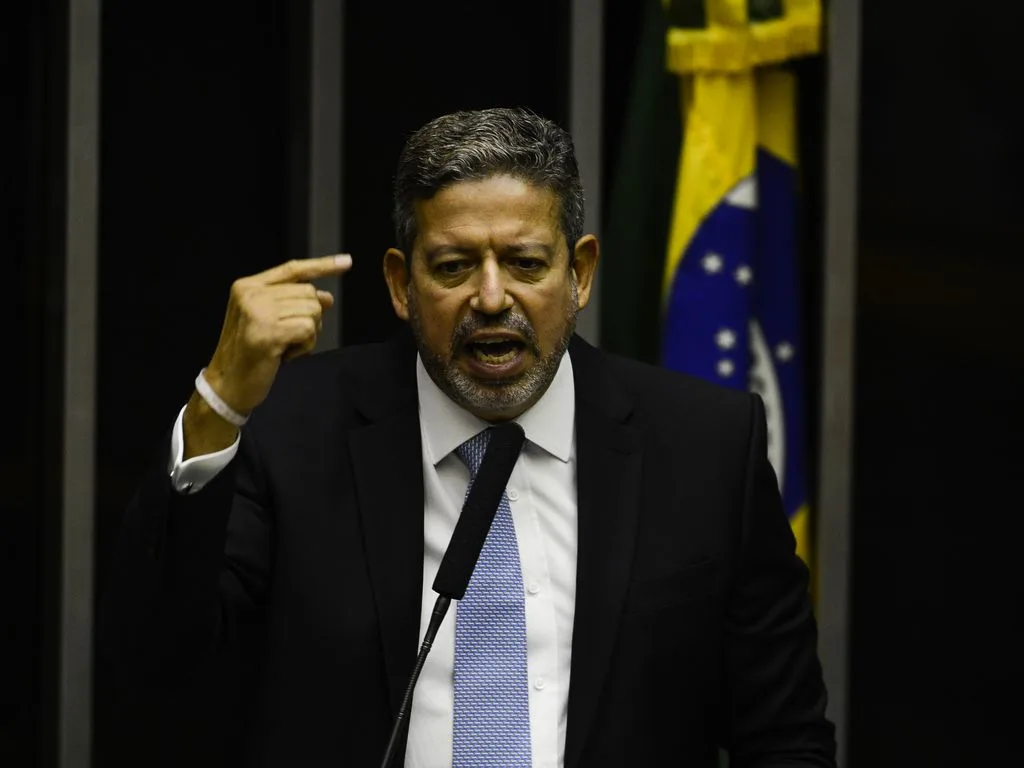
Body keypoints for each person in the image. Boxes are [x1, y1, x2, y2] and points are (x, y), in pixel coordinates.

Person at [100, 106, 836, 767]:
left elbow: (784, 738)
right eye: (454, 267)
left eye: (525, 263)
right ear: (400, 284)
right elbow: (161, 663)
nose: (490, 298)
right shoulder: (291, 428)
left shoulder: (706, 446)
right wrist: (218, 405)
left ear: (579, 273)